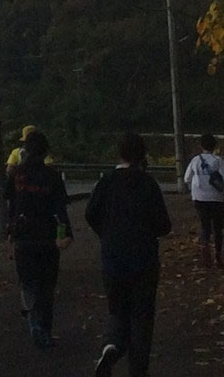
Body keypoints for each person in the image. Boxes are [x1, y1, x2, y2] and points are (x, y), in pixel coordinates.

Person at [84, 132, 172, 377]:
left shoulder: (107, 181)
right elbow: (164, 225)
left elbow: (90, 213)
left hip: (113, 259)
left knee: (118, 310)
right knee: (142, 319)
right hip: (144, 260)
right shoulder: (148, 184)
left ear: (120, 154)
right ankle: (137, 371)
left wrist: (107, 233)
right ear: (142, 155)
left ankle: (111, 346)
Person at [6, 129, 73, 348]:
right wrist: (65, 234)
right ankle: (45, 328)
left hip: (23, 237)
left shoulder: (17, 175)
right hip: (47, 236)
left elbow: (11, 205)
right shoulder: (52, 176)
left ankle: (33, 321)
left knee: (27, 282)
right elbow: (60, 209)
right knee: (46, 284)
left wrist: (10, 231)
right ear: (45, 152)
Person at [182, 133, 224, 267]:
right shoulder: (219, 160)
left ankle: (205, 254)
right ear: (215, 146)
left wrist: (195, 186)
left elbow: (186, 178)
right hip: (216, 198)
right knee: (218, 226)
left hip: (199, 198)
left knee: (205, 225)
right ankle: (218, 255)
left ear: (201, 146)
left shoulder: (195, 160)